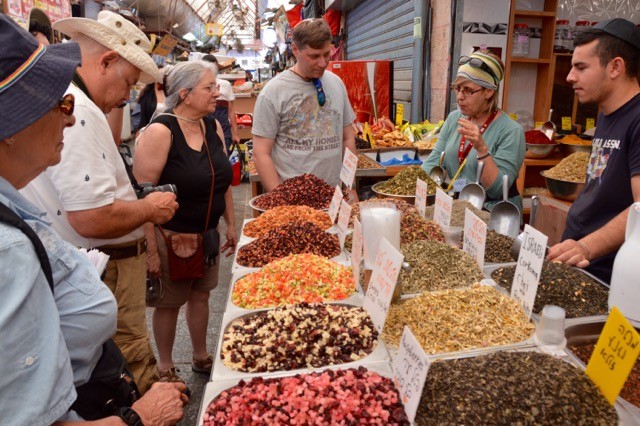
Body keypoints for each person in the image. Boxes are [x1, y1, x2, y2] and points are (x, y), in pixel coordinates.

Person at [0, 15, 186, 425]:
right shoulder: (8, 250)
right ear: (11, 125)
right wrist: (137, 419)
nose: (68, 117)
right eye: (59, 104)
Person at [134, 60, 237, 382]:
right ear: (185, 94)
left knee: (202, 295)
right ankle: (165, 366)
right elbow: (143, 196)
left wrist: (231, 224)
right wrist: (151, 251)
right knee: (169, 303)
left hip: (207, 234)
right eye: (209, 87)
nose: (217, 93)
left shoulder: (212, 126)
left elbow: (224, 181)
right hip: (170, 237)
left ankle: (200, 355)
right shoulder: (160, 131)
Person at [547, 19, 640, 283]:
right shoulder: (606, 114)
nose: (569, 76)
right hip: (580, 264)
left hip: (607, 276)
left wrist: (587, 247)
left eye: (581, 67)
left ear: (615, 67)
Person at [252, 18, 357, 191]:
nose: (322, 63)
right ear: (295, 50)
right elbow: (261, 154)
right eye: (314, 56)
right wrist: (280, 200)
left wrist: (350, 187)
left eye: (326, 54)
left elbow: (347, 138)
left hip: (334, 195)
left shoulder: (337, 83)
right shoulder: (273, 92)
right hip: (293, 197)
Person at [421, 51, 525, 212]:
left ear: (488, 91)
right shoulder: (454, 118)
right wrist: (411, 183)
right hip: (457, 206)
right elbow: (433, 161)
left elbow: (497, 189)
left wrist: (481, 149)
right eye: (457, 88)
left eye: (468, 90)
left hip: (492, 213)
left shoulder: (512, 131)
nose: (459, 97)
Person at [202, 54, 241, 149]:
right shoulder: (198, 85)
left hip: (224, 130)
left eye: (214, 66)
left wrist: (235, 133)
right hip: (204, 131)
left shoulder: (225, 84)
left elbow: (231, 110)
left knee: (224, 155)